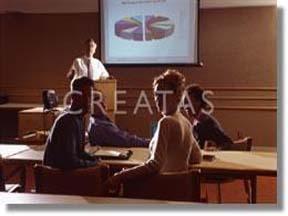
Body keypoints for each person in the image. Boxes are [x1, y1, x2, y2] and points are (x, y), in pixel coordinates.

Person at [106, 69, 202, 187]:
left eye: (163, 94)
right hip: (180, 188)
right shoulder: (186, 122)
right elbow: (197, 158)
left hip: (162, 187)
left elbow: (154, 165)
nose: (158, 99)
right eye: (156, 95)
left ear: (177, 95)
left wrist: (119, 176)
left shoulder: (166, 122)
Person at [43, 77, 98, 169]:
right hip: (57, 178)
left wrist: (94, 160)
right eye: (85, 96)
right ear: (73, 97)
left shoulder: (78, 118)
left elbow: (79, 153)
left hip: (64, 174)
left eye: (90, 97)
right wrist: (95, 165)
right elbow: (70, 162)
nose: (89, 101)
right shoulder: (68, 121)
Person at [185, 84, 233, 150]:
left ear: (198, 102)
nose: (185, 106)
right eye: (184, 102)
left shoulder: (207, 122)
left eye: (188, 102)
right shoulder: (185, 120)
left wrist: (216, 149)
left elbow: (227, 143)